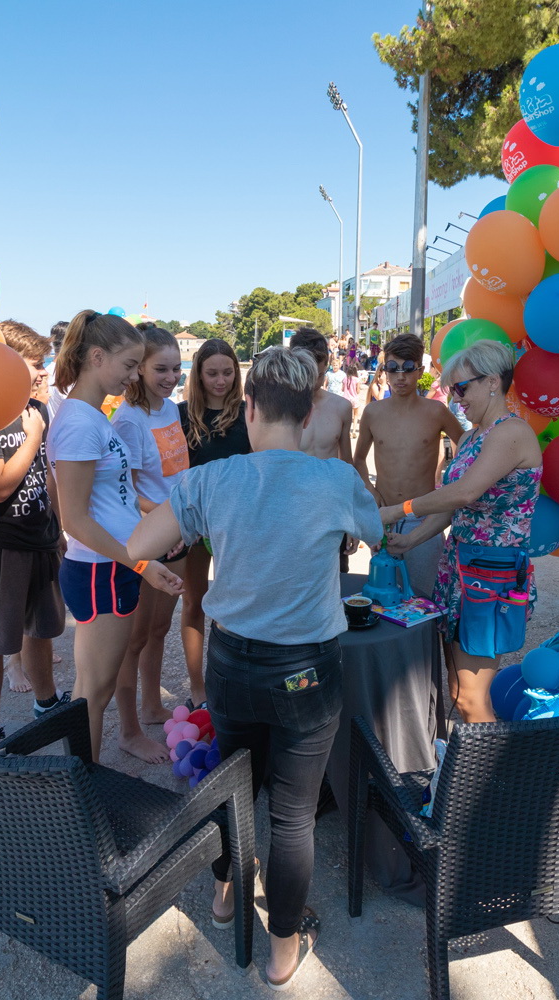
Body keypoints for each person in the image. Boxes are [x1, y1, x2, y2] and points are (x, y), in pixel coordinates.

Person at [128, 348, 384, 990]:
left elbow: (138, 546)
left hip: (234, 663)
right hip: (308, 670)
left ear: (248, 407)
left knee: (233, 786)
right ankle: (280, 953)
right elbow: (377, 533)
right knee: (292, 816)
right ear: (309, 411)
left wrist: (164, 552)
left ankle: (223, 896)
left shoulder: (211, 481)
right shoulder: (334, 480)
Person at [377, 341, 543, 724]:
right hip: (459, 567)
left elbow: (466, 491)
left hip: (490, 574)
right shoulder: (471, 437)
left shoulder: (511, 432)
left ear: (493, 382)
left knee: (471, 697)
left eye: (461, 388)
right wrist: (411, 539)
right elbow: (455, 506)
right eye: (452, 390)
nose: (456, 400)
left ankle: (490, 781)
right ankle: (466, 772)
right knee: (456, 689)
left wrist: (398, 510)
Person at [48, 311, 183, 762]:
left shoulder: (91, 416)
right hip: (100, 569)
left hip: (113, 564)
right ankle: (81, 783)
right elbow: (75, 519)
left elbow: (117, 498)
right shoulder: (79, 423)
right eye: (128, 365)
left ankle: (82, 776)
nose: (132, 376)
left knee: (98, 685)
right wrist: (142, 564)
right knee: (93, 690)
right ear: (97, 357)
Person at [0, 321, 67, 742]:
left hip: (40, 538)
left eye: (43, 363)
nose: (43, 372)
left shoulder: (37, 409)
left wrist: (59, 528)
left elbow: (48, 476)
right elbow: (0, 484)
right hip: (1, 544)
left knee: (40, 629)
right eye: (33, 364)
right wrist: (32, 437)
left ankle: (46, 702)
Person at [109, 326, 190, 762]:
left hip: (177, 535)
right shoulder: (127, 420)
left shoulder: (170, 411)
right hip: (150, 538)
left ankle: (151, 704)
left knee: (159, 630)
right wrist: (165, 522)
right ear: (138, 368)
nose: (171, 376)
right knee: (134, 638)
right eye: (161, 368)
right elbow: (126, 489)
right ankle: (128, 730)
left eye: (176, 368)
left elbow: (175, 475)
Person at [353, 333, 464, 599]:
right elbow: (357, 460)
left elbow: (467, 447)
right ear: (385, 371)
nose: (400, 376)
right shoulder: (373, 413)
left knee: (424, 594)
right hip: (384, 514)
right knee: (385, 592)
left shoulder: (436, 412)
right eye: (392, 368)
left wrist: (450, 487)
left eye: (407, 368)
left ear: (420, 371)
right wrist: (370, 490)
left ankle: (426, 641)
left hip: (422, 517)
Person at [177, 338, 251, 708]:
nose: (220, 381)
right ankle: (197, 688)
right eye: (212, 373)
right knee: (194, 602)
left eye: (227, 372)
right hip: (193, 525)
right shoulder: (181, 415)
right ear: (198, 374)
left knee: (236, 604)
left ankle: (232, 680)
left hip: (237, 525)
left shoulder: (249, 413)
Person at [290, 328, 360, 572]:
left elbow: (347, 466)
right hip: (291, 513)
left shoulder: (340, 407)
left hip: (331, 512)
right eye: (306, 374)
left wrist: (352, 520)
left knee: (335, 586)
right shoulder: (279, 408)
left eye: (318, 375)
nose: (312, 382)